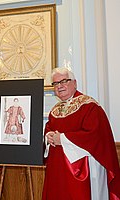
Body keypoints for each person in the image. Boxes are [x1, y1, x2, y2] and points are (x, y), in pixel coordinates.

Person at [42, 67, 120, 200]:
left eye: (64, 81)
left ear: (75, 83)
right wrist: (48, 136)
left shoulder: (89, 106)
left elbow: (95, 135)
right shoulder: (55, 110)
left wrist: (62, 139)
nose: (59, 86)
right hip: (57, 168)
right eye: (55, 84)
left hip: (84, 167)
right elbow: (49, 128)